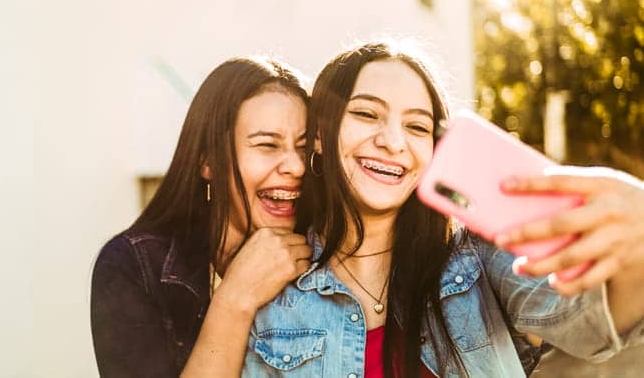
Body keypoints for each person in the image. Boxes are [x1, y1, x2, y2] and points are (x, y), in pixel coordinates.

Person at [241, 41, 644, 377]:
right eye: (366, 114)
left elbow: (592, 324)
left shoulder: (478, 259)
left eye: (417, 126)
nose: (394, 142)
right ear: (319, 139)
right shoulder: (273, 287)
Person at [90, 56, 314, 377]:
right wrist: (235, 299)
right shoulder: (133, 264)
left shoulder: (327, 256)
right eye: (267, 145)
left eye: (304, 148)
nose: (296, 166)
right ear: (208, 160)